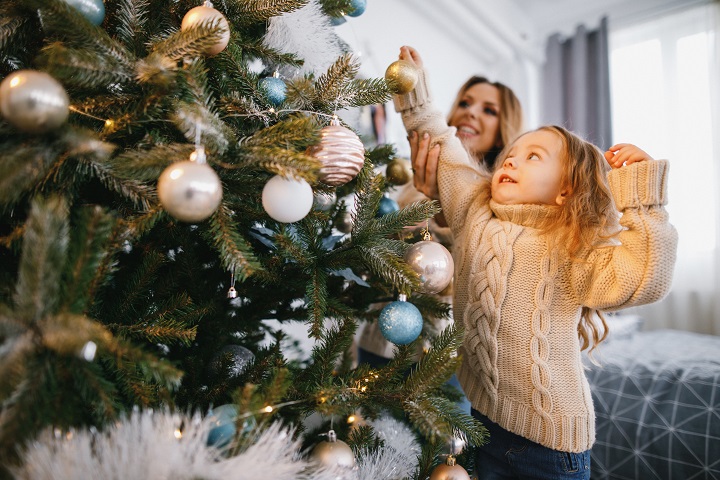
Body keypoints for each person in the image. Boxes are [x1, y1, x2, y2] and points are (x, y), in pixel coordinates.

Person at [392, 46, 678, 479]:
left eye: (533, 157)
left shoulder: (571, 244)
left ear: (565, 190)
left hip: (551, 444)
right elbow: (441, 141)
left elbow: (645, 279)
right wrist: (413, 90)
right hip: (483, 422)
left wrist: (642, 198)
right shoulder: (474, 206)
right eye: (511, 153)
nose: (511, 159)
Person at [357, 63, 525, 410]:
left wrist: (441, 205)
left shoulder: (503, 193)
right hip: (379, 339)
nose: (471, 113)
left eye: (488, 110)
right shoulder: (413, 173)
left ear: (502, 130)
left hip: (441, 353)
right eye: (465, 103)